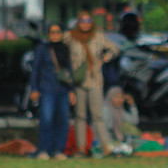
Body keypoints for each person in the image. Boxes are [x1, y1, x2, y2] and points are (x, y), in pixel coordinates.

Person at [64, 10, 119, 156]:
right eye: (82, 21)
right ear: (78, 22)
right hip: (78, 81)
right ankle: (81, 148)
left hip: (95, 80)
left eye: (88, 21)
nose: (85, 24)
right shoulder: (70, 37)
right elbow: (58, 45)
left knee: (98, 115)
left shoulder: (98, 37)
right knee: (80, 116)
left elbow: (115, 48)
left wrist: (108, 56)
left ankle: (107, 147)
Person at [29, 24, 77, 160]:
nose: (55, 35)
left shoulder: (65, 49)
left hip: (63, 89)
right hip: (47, 88)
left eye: (58, 32)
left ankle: (58, 150)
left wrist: (72, 90)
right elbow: (36, 70)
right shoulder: (43, 49)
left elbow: (69, 70)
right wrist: (35, 88)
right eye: (52, 32)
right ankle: (44, 149)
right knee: (47, 119)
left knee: (62, 121)